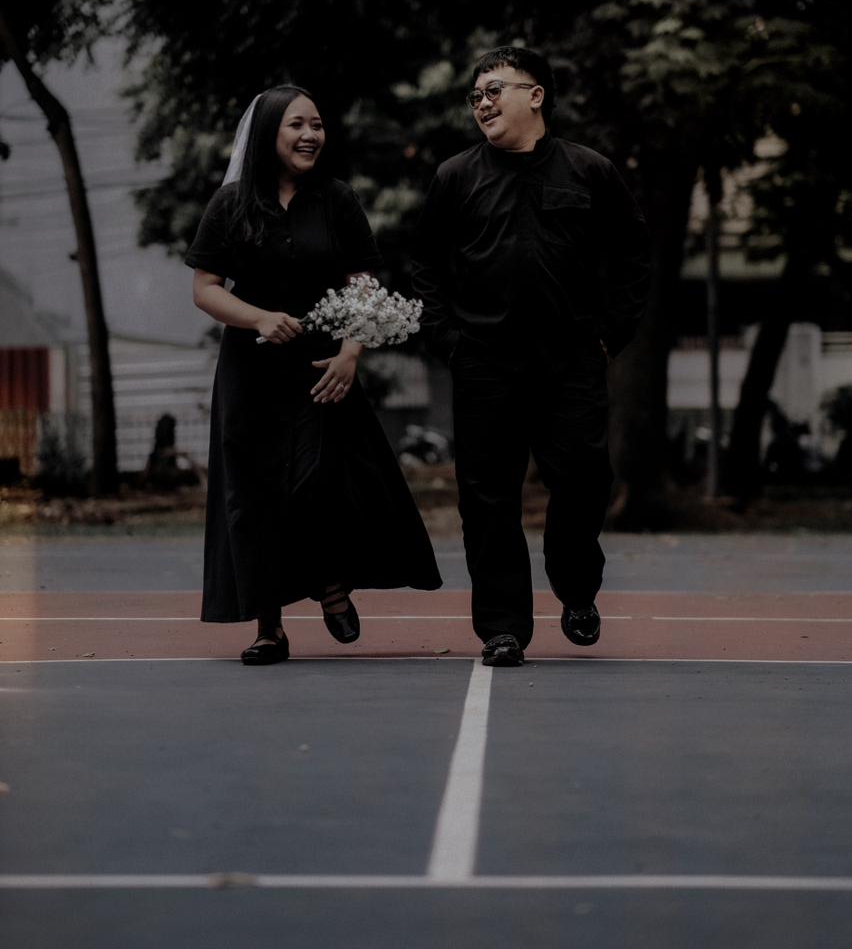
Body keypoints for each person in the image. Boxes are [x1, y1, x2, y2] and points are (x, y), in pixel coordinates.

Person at [186, 84, 442, 664]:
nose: (310, 135)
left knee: (316, 482)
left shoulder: (337, 199)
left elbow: (364, 284)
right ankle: (269, 629)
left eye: (317, 125)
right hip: (250, 373)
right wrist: (258, 317)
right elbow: (205, 289)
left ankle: (330, 582)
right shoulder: (230, 204)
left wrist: (352, 352)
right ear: (268, 134)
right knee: (255, 496)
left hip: (322, 368)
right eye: (297, 125)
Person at [411, 46, 649, 667]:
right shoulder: (455, 177)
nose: (482, 103)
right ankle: (503, 626)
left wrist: (611, 334)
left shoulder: (590, 170)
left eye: (494, 90)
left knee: (584, 480)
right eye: (475, 96)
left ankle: (576, 587)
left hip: (571, 361)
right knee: (486, 497)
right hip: (484, 362)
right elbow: (425, 265)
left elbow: (634, 255)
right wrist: (447, 341)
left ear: (535, 95)